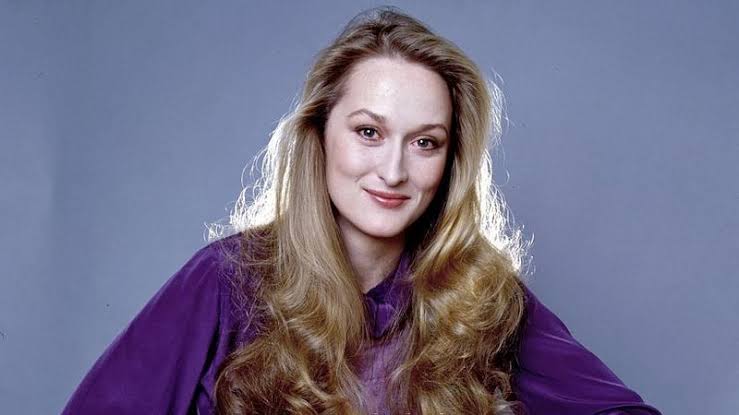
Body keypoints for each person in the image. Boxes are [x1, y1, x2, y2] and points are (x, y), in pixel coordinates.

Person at [61, 7, 662, 415]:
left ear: (451, 160)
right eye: (369, 132)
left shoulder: (480, 296)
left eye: (425, 142)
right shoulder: (226, 281)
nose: (394, 170)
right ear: (320, 135)